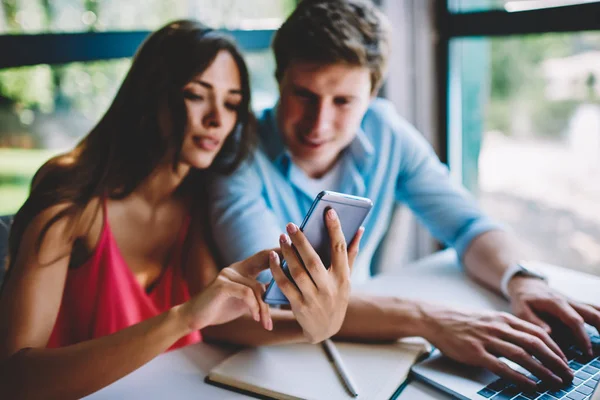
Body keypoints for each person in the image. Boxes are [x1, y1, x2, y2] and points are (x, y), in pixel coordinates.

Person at [208, 0, 600, 391]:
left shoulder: (385, 130)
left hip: (367, 349)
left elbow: (467, 223)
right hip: (271, 359)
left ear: (372, 93)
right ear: (279, 80)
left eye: (343, 101)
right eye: (304, 95)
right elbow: (281, 296)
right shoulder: (237, 153)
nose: (319, 123)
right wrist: (427, 319)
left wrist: (520, 279)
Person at [0, 20, 360, 399]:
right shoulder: (71, 195)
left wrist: (314, 327)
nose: (217, 120)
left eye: (232, 103)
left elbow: (221, 323)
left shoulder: (198, 196)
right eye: (196, 95)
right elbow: (14, 378)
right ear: (152, 94)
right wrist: (183, 317)